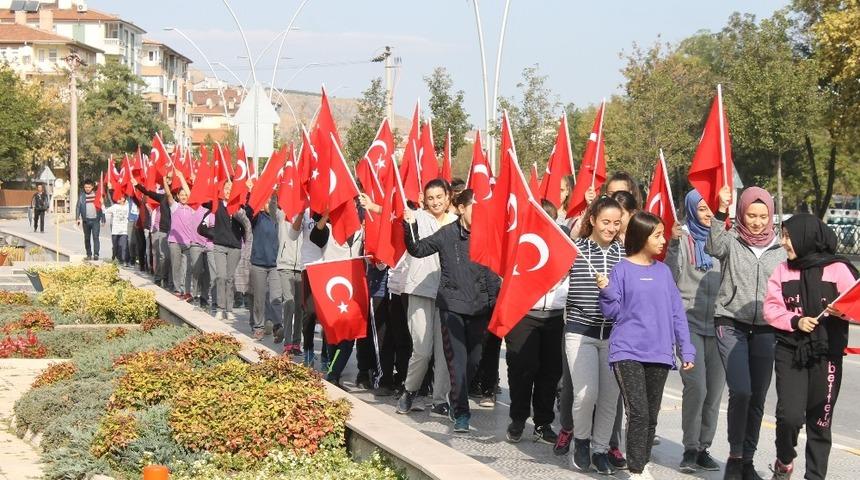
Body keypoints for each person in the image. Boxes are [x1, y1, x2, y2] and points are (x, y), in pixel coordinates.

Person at [600, 211, 695, 479]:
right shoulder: (621, 270)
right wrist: (606, 291)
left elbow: (677, 314)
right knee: (638, 411)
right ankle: (636, 470)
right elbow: (612, 312)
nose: (663, 240)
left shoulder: (664, 272)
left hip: (659, 352)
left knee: (651, 415)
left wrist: (686, 349)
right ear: (642, 237)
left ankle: (641, 463)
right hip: (627, 351)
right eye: (658, 236)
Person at [763, 214, 859, 480]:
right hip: (790, 351)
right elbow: (770, 309)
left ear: (806, 237)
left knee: (820, 421)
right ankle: (784, 460)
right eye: (783, 236)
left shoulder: (838, 269)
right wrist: (796, 320)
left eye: (788, 237)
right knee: (789, 417)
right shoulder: (783, 270)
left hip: (827, 353)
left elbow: (857, 303)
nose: (784, 242)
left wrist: (843, 312)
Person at [403, 189, 500, 434]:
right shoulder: (447, 233)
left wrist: (494, 303)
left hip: (479, 308)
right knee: (456, 362)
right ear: (461, 209)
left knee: (473, 362)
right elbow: (418, 249)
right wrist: (410, 225)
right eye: (474, 208)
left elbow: (492, 273)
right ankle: (461, 412)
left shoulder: (489, 235)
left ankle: (454, 394)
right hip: (452, 307)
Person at [707, 185, 786, 480]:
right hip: (730, 323)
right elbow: (713, 246)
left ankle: (748, 461)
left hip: (767, 328)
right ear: (741, 213)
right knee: (741, 391)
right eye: (751, 215)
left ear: (771, 216)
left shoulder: (780, 248)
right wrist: (720, 210)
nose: (757, 222)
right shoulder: (731, 240)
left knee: (758, 397)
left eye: (763, 216)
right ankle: (735, 456)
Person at [565, 195, 625, 475]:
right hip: (580, 331)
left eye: (616, 223)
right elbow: (553, 276)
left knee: (610, 397)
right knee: (586, 394)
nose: (611, 228)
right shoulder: (575, 250)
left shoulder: (624, 255)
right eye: (605, 222)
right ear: (592, 220)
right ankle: (581, 441)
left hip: (614, 335)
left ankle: (600, 449)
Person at [666, 190, 723, 473]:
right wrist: (673, 245)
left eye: (710, 208)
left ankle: (703, 448)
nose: (708, 214)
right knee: (697, 387)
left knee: (714, 392)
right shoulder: (683, 239)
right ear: (691, 211)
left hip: (720, 325)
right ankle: (690, 447)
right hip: (688, 323)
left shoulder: (722, 242)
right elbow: (670, 275)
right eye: (701, 209)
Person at [505, 200, 566, 445]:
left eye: (549, 218)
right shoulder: (520, 241)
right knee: (521, 369)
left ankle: (543, 422)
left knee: (550, 372)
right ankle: (518, 419)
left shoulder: (566, 244)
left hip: (555, 316)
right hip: (523, 314)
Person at [396, 179, 456, 417]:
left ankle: (440, 399)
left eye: (439, 197)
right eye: (431, 198)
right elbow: (412, 242)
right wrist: (408, 221)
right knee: (422, 349)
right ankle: (410, 390)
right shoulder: (416, 217)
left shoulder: (456, 222)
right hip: (420, 289)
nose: (436, 202)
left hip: (448, 294)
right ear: (424, 200)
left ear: (448, 197)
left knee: (444, 351)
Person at [246, 196, 283, 341]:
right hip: (259, 263)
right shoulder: (257, 217)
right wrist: (252, 193)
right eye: (266, 202)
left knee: (276, 297)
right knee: (259, 298)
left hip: (275, 264)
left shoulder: (278, 217)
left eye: (271, 202)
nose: (269, 205)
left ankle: (277, 326)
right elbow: (248, 211)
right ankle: (258, 328)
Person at [134, 174, 173, 288]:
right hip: (164, 230)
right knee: (163, 256)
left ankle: (170, 280)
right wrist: (137, 185)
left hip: (176, 232)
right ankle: (159, 277)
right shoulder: (162, 197)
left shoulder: (179, 197)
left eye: (170, 179)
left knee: (172, 258)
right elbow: (148, 192)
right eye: (166, 179)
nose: (167, 181)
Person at [276, 207, 305, 353]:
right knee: (289, 303)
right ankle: (287, 343)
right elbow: (272, 206)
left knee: (299, 306)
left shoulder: (306, 214)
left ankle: (296, 343)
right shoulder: (282, 213)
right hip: (285, 265)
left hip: (301, 266)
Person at [75, 179, 105, 261]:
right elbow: (78, 207)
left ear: (92, 187)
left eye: (89, 187)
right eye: (86, 187)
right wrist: (77, 218)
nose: (87, 189)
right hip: (86, 221)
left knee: (96, 237)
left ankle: (96, 254)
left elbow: (102, 207)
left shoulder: (97, 195)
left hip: (95, 220)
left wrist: (103, 218)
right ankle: (88, 254)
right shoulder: (81, 196)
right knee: (87, 238)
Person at [105, 195, 130, 266]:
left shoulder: (128, 206)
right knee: (115, 246)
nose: (118, 198)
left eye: (120, 197)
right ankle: (115, 258)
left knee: (123, 246)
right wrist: (102, 203)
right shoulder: (115, 206)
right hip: (115, 230)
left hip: (124, 230)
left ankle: (124, 260)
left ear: (124, 198)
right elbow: (105, 211)